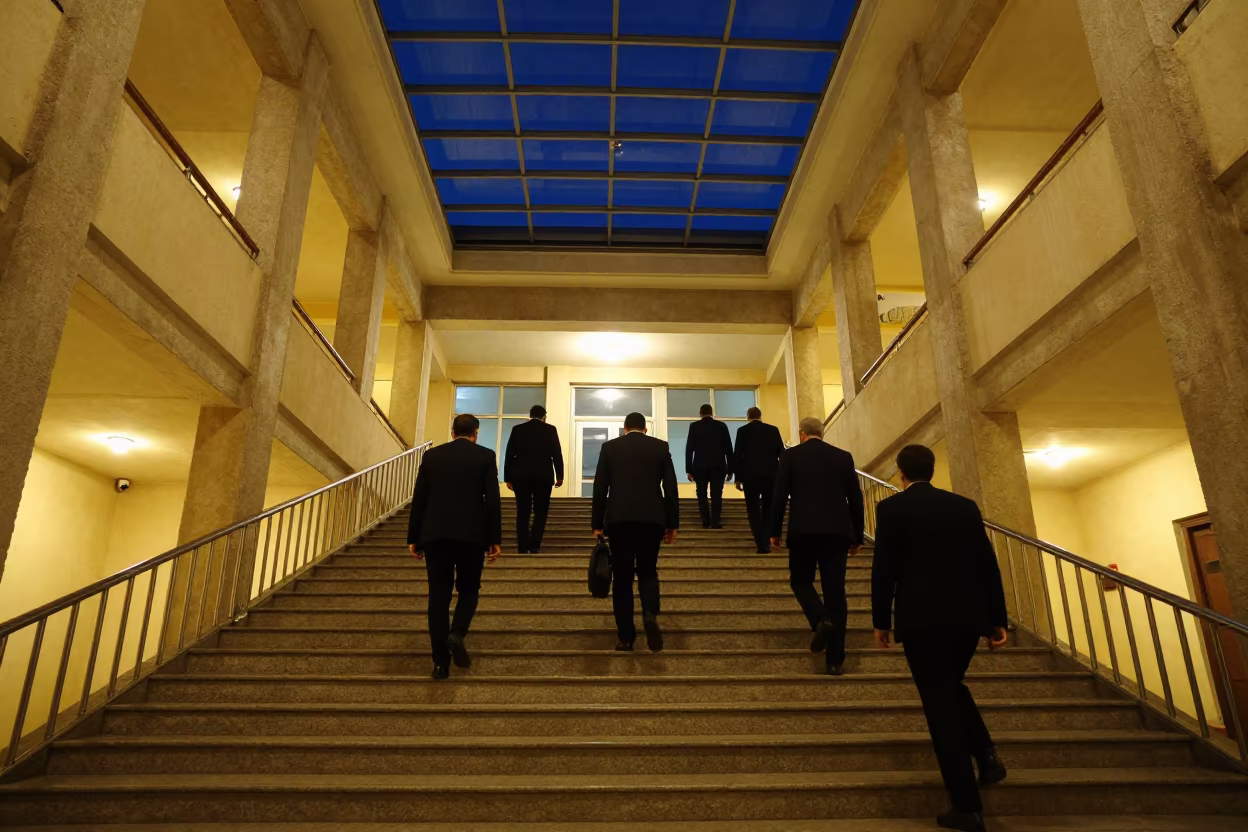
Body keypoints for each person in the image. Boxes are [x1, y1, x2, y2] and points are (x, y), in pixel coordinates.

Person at [870, 444, 1009, 832]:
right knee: (949, 686)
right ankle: (984, 750)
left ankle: (966, 805)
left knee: (940, 707)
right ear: (931, 470)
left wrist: (881, 618)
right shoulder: (964, 507)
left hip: (921, 620)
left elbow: (885, 568)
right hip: (966, 619)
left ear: (901, 472)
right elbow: (987, 563)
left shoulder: (892, 509)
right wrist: (997, 618)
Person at [407, 414, 502, 680]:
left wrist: (413, 536)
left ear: (452, 433)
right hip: (472, 536)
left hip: (435, 536)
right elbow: (492, 500)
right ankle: (457, 632)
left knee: (438, 597)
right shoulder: (485, 456)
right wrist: (494, 538)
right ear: (476, 433)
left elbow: (420, 497)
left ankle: (440, 664)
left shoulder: (432, 456)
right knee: (469, 589)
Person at [769, 416, 864, 676]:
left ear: (801, 434)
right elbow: (856, 497)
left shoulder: (790, 458)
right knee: (836, 592)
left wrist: (774, 531)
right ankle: (835, 660)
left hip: (803, 531)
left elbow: (779, 496)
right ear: (822, 433)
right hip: (837, 532)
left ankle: (820, 618)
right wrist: (857, 535)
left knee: (800, 581)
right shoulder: (843, 457)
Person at [592, 412, 680, 652]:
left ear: (624, 428)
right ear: (645, 429)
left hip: (619, 521)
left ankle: (626, 637)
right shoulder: (660, 447)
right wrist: (672, 523)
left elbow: (600, 486)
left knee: (621, 579)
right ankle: (650, 614)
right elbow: (670, 487)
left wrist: (596, 523)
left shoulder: (610, 448)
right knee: (648, 571)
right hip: (652, 520)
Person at [503, 404, 564, 554]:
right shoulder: (550, 430)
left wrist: (508, 478)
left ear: (530, 416)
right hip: (543, 477)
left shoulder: (518, 429)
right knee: (540, 511)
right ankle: (534, 546)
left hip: (520, 476)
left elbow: (509, 454)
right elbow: (557, 453)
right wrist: (560, 475)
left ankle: (522, 547)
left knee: (522, 512)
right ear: (544, 417)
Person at [733, 406, 785, 554]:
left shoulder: (742, 431)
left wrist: (738, 478)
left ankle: (761, 544)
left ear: (748, 417)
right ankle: (768, 540)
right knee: (769, 509)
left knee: (753, 510)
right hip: (771, 475)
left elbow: (738, 455)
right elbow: (781, 453)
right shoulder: (773, 430)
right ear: (761, 416)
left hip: (750, 476)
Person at [685, 404, 733, 529]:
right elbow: (728, 448)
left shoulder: (694, 426)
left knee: (701, 493)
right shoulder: (721, 426)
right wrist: (731, 469)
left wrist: (688, 470)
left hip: (699, 466)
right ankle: (715, 522)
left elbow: (689, 449)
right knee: (716, 494)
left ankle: (705, 521)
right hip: (718, 465)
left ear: (700, 413)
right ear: (712, 413)